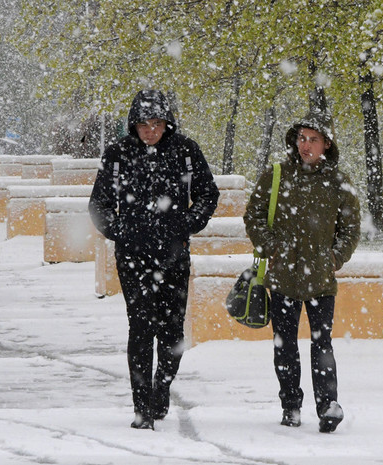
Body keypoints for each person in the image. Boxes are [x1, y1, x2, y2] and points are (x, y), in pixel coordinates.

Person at [89, 90, 220, 430]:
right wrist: (121, 231)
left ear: (167, 123)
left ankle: (161, 388)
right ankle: (141, 406)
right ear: (134, 124)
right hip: (133, 257)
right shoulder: (117, 154)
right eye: (144, 124)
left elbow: (208, 194)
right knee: (141, 329)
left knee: (173, 332)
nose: (150, 131)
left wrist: (187, 224)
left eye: (157, 124)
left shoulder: (185, 151)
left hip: (174, 255)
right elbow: (99, 204)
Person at [243, 108, 360, 433]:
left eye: (314, 140)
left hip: (322, 279)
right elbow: (252, 215)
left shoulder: (339, 182)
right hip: (283, 277)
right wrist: (272, 247)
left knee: (323, 344)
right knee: (285, 345)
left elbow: (351, 231)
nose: (306, 145)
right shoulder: (276, 175)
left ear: (326, 145)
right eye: (302, 138)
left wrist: (335, 258)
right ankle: (291, 405)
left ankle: (328, 406)